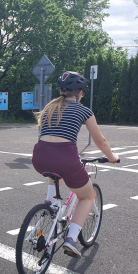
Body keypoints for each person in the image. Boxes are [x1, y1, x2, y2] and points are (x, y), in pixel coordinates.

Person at [31, 71, 119, 258]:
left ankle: (50, 201)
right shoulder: (83, 110)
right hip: (66, 158)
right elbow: (100, 141)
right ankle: (71, 239)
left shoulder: (49, 108)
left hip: (40, 156)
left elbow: (48, 137)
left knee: (56, 170)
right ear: (79, 92)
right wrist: (111, 157)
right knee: (87, 197)